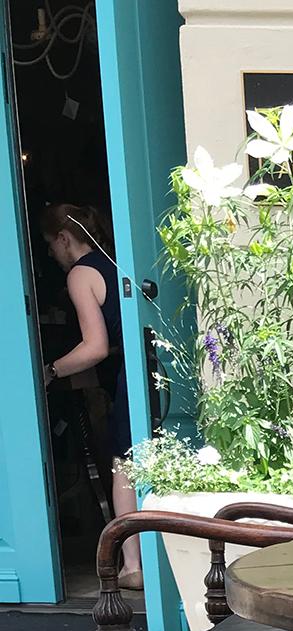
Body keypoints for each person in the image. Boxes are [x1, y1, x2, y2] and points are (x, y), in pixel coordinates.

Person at [40, 203, 142, 588]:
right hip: (149, 369)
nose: (51, 253)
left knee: (124, 464)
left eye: (50, 244)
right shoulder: (115, 262)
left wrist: (49, 371)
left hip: (127, 375)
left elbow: (94, 347)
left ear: (65, 239)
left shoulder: (81, 273)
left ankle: (133, 566)